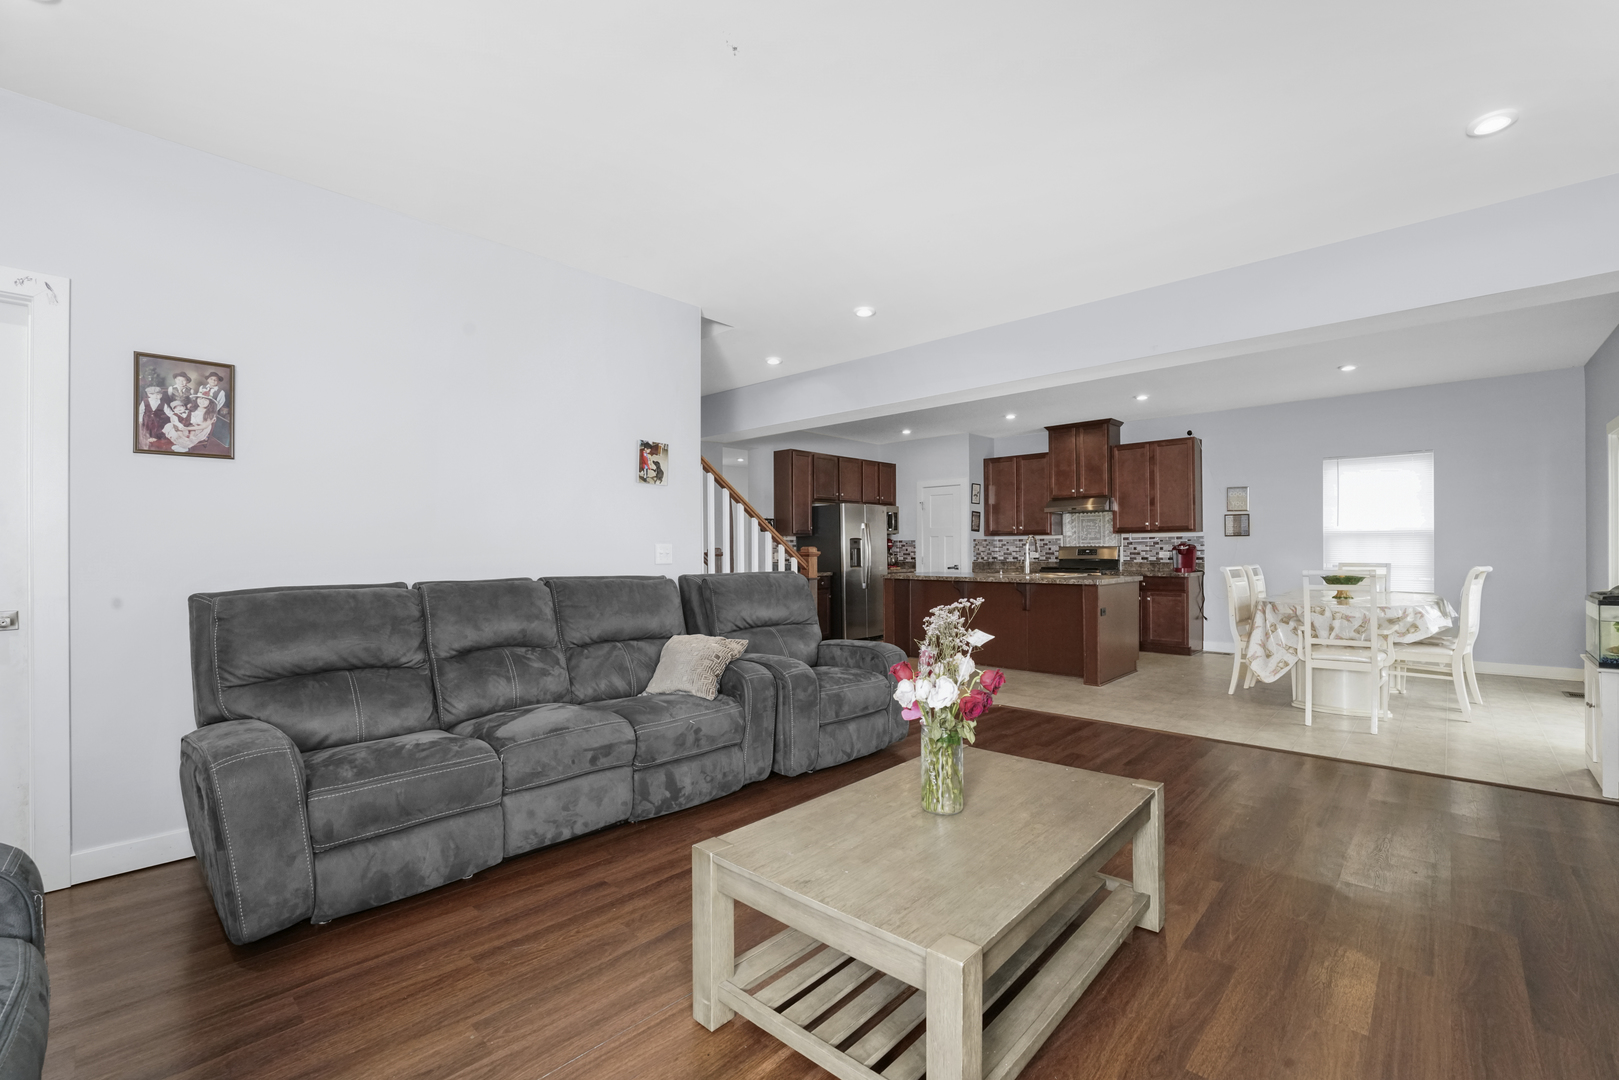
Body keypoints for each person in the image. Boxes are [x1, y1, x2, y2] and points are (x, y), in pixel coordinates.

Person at [200, 372, 230, 447]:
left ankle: (205, 435)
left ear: (219, 382)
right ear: (208, 380)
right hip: (201, 407)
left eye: (215, 380)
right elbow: (199, 397)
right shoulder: (202, 387)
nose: (213, 381)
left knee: (207, 422)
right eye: (211, 379)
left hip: (211, 411)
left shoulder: (221, 392)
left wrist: (212, 411)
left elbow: (219, 403)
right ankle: (196, 433)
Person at [137, 385, 169, 449]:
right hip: (147, 419)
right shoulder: (145, 401)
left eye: (158, 394)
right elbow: (140, 411)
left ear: (161, 395)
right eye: (153, 394)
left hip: (158, 420)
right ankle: (148, 439)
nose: (156, 396)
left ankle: (155, 438)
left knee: (157, 428)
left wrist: (175, 416)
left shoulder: (163, 403)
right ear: (149, 395)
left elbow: (169, 412)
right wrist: (140, 419)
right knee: (147, 429)